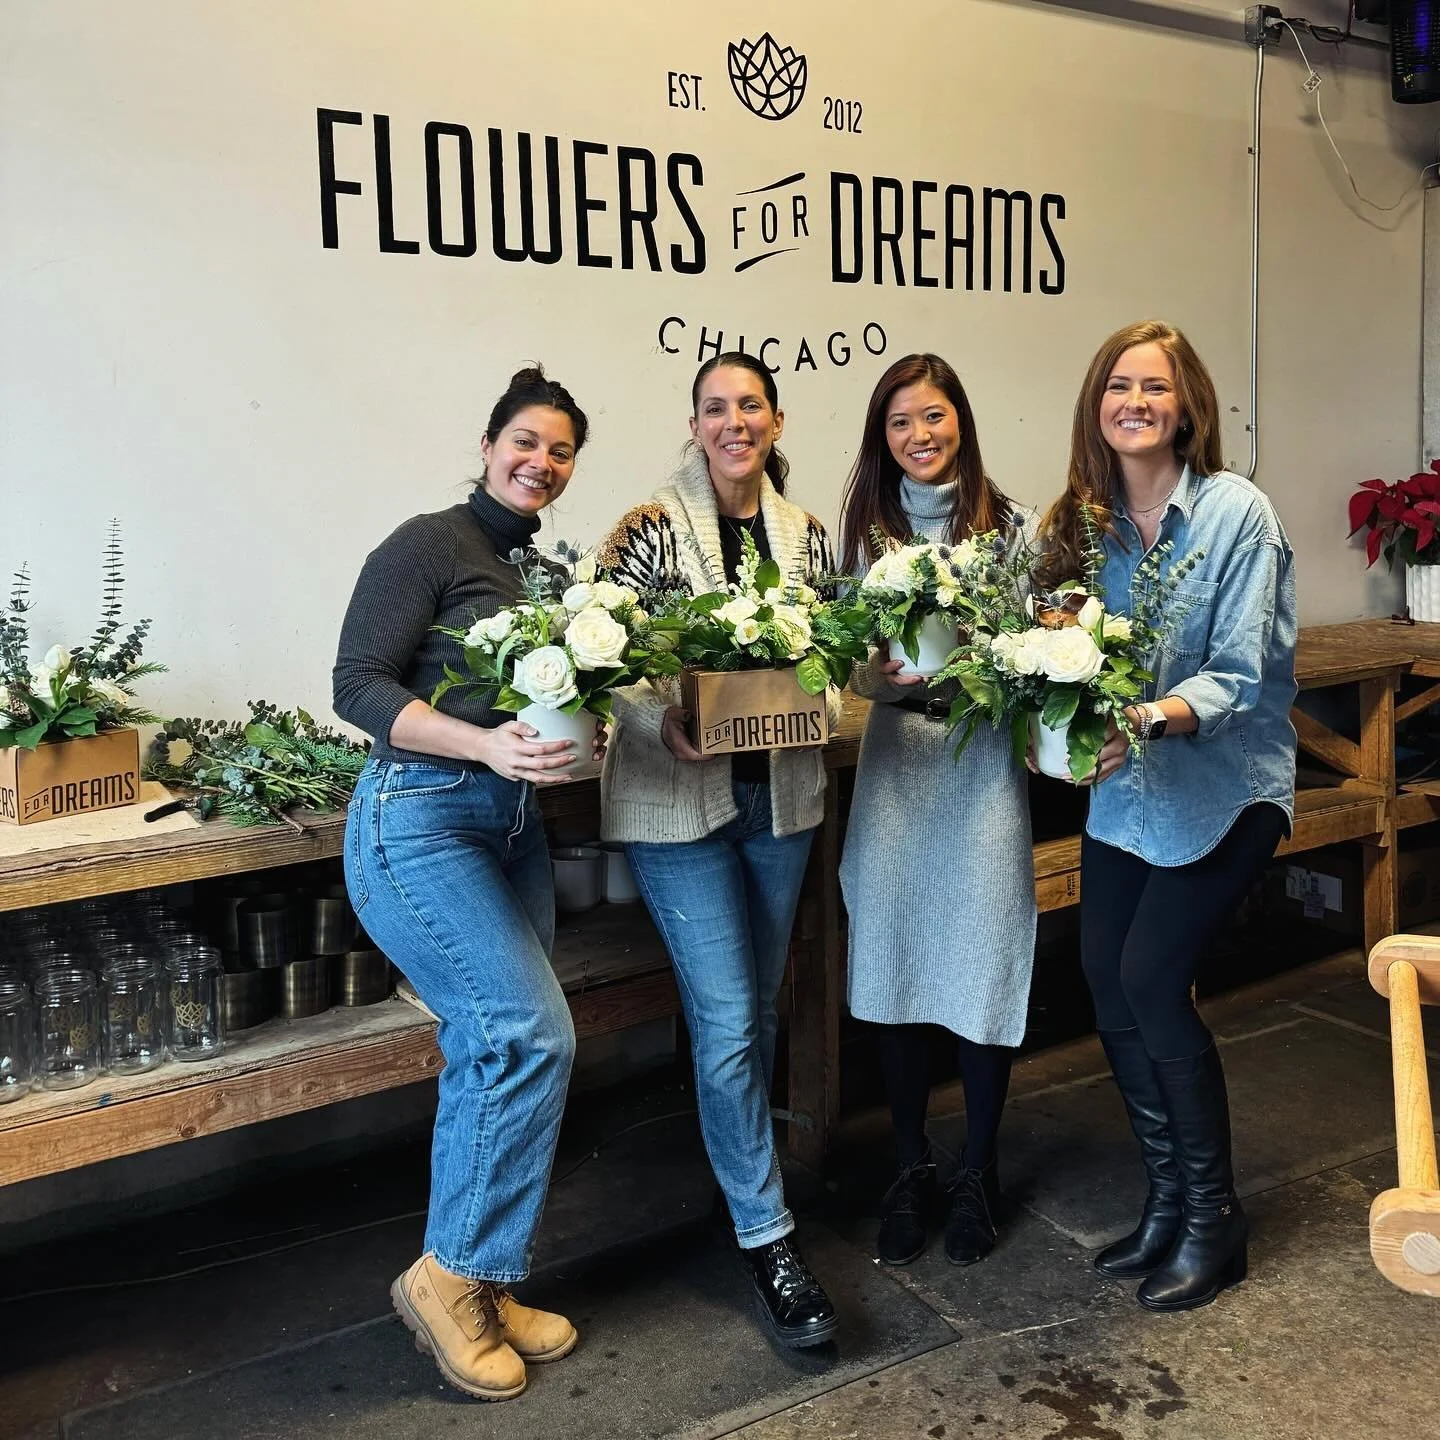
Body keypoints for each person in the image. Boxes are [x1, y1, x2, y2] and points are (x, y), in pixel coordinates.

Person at [334, 367, 599, 1400]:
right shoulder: (429, 542)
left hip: (507, 825)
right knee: (530, 1036)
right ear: (489, 444)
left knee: (494, 1049)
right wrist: (485, 750)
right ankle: (444, 1282)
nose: (541, 462)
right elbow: (358, 685)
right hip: (419, 820)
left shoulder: (534, 570)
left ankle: (482, 1276)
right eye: (526, 442)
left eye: (562, 450)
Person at [1035, 319, 1297, 1312]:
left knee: (1151, 977)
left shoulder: (1237, 514)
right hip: (1127, 791)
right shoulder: (1081, 522)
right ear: (1096, 405)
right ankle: (1167, 1202)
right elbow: (1053, 644)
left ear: (1188, 404)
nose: (1134, 402)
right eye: (1117, 386)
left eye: (1154, 387)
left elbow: (1242, 672)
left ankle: (1213, 1220)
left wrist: (1141, 716)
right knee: (1104, 975)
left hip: (1227, 783)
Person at [595, 352, 839, 1348]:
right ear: (693, 425)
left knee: (757, 1010)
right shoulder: (647, 529)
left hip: (779, 804)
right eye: (714, 408)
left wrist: (824, 695)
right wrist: (663, 726)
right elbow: (601, 654)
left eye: (750, 405)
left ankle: (738, 1176)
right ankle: (768, 1236)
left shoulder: (807, 535)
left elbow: (830, 655)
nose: (733, 422)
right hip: (677, 805)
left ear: (775, 421)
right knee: (733, 1017)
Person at [837, 353, 1038, 1268]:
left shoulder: (1013, 528)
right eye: (901, 422)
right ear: (883, 436)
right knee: (894, 969)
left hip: (980, 768)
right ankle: (910, 1168)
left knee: (983, 961)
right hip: (894, 772)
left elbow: (1039, 651)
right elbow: (836, 660)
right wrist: (868, 679)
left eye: (935, 416)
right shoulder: (862, 534)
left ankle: (980, 1172)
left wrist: (980, 667)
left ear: (962, 417)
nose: (921, 436)